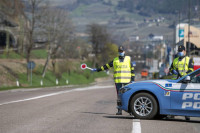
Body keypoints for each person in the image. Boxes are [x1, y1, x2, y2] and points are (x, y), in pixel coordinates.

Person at [92, 46, 135, 115]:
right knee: (119, 96)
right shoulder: (115, 60)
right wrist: (97, 69)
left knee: (128, 95)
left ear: (124, 51)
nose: (120, 52)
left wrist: (132, 80)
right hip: (118, 81)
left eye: (121, 51)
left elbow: (132, 70)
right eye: (119, 51)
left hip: (127, 81)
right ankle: (119, 110)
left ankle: (130, 111)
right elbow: (106, 66)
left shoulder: (128, 59)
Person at [169, 45, 194, 121]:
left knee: (185, 99)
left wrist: (185, 75)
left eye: (181, 51)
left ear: (184, 51)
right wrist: (172, 71)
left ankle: (186, 114)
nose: (180, 52)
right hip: (176, 81)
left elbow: (191, 70)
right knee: (174, 98)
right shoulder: (175, 60)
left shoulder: (188, 59)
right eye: (179, 51)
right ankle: (172, 113)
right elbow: (170, 69)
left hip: (185, 81)